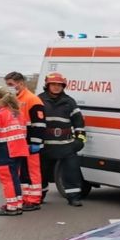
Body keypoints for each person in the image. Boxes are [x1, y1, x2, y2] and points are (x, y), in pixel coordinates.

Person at [40, 72, 87, 206]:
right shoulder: (39, 100)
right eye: (53, 84)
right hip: (45, 145)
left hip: (66, 145)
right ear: (47, 85)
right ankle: (39, 196)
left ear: (63, 86)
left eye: (59, 85)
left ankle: (74, 197)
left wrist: (79, 141)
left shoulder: (69, 102)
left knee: (71, 172)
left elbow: (79, 123)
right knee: (41, 172)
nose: (56, 87)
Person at [0, 87, 28, 216]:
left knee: (7, 180)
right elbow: (24, 132)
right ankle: (17, 204)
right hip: (18, 149)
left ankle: (12, 207)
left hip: (4, 149)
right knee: (15, 178)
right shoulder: (18, 113)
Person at [6, 71, 46, 210]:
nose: (9, 87)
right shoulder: (13, 100)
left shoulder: (32, 99)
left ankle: (34, 200)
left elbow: (39, 123)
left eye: (11, 84)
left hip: (30, 142)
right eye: (7, 85)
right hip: (19, 142)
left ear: (21, 83)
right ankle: (25, 198)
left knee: (32, 171)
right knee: (22, 171)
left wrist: (35, 143)